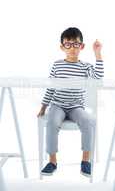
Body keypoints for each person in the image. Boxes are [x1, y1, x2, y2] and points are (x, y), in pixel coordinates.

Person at [37, 27, 104, 177]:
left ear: (82, 46)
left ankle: (86, 160)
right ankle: (52, 161)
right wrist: (44, 106)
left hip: (76, 106)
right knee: (52, 122)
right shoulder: (57, 65)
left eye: (76, 44)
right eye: (68, 44)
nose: (72, 48)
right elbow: (51, 88)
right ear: (62, 47)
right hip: (58, 105)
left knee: (87, 121)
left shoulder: (85, 67)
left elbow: (98, 76)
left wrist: (98, 54)